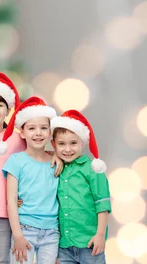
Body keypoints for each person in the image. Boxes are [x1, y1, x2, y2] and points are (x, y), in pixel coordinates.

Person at [1, 96, 59, 264]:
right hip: (25, 229)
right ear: (22, 132)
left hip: (52, 232)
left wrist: (57, 156)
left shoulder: (55, 163)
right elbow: (11, 201)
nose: (38, 133)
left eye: (43, 128)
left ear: (50, 133)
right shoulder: (16, 161)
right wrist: (18, 235)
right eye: (32, 128)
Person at [50, 110, 110, 264]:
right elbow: (35, 152)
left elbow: (102, 204)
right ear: (54, 144)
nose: (67, 149)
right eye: (61, 144)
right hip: (64, 246)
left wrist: (100, 235)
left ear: (82, 142)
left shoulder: (93, 169)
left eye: (73, 143)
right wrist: (54, 155)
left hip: (90, 243)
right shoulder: (57, 166)